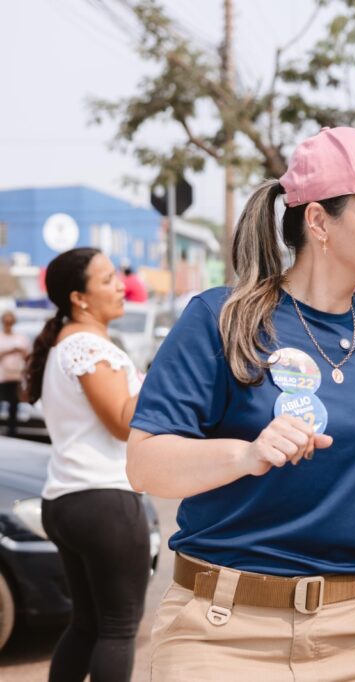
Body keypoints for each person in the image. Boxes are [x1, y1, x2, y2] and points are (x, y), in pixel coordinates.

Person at [126, 126, 355, 680]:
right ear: (319, 221)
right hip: (222, 631)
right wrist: (247, 455)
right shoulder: (220, 318)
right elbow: (144, 463)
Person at [23, 247, 150, 682]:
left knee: (87, 625)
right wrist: (163, 377)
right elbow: (122, 422)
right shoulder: (86, 345)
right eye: (108, 279)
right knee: (118, 630)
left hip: (66, 499)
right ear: (79, 298)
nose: (121, 286)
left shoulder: (66, 343)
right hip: (103, 500)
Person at [0, 310, 30, 436]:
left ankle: (12, 429)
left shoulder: (20, 338)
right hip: (2, 375)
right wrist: (11, 351)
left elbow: (28, 355)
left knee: (13, 403)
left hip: (15, 375)